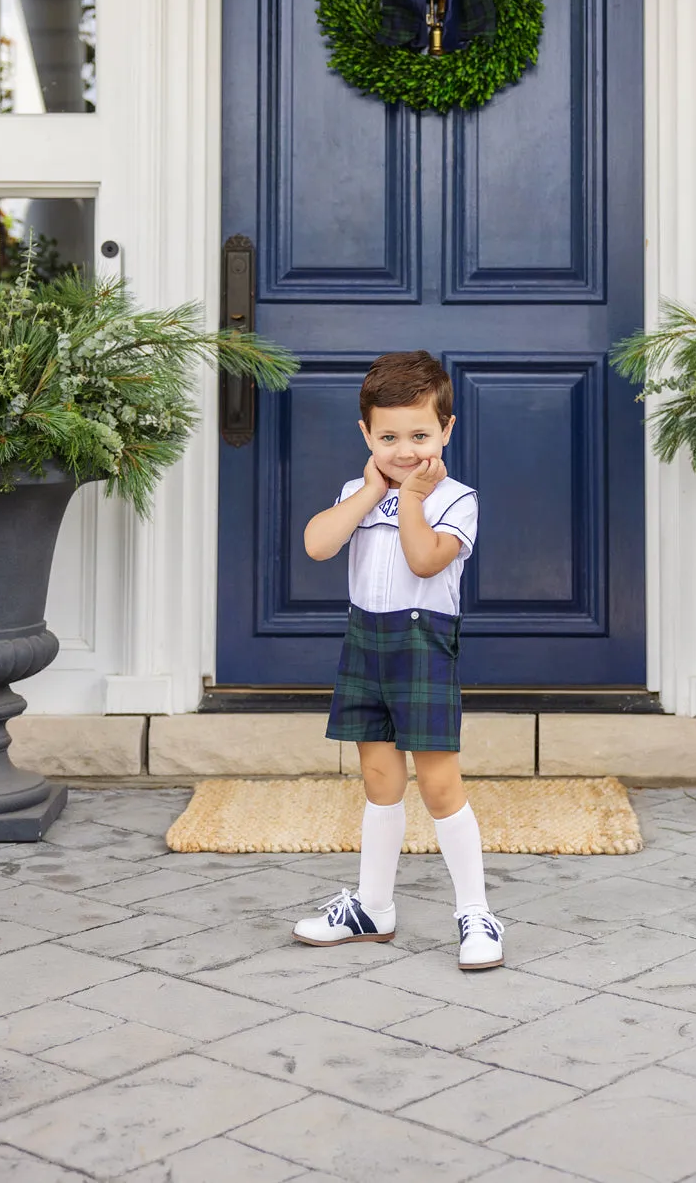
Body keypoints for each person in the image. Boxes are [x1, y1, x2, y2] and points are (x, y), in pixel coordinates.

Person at [292, 350, 503, 971]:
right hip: (366, 643)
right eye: (388, 437)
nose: (405, 450)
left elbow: (423, 560)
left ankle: (475, 910)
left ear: (446, 431)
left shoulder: (457, 500)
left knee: (439, 787)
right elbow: (317, 544)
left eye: (420, 435)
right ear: (366, 435)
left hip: (422, 646)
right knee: (381, 783)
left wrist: (410, 497)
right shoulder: (357, 494)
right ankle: (373, 906)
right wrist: (370, 491)